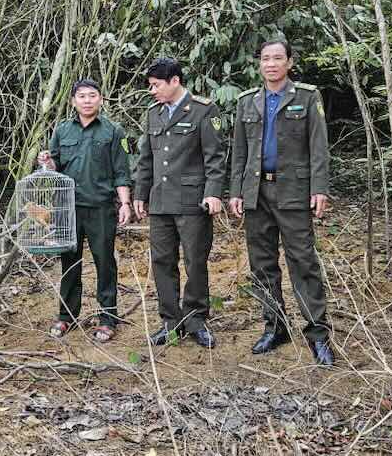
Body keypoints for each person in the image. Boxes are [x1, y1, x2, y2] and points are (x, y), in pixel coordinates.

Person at [228, 39, 334, 367]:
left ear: (289, 62)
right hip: (257, 192)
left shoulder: (306, 96)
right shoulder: (248, 102)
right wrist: (236, 191)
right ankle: (275, 326)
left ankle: (318, 334)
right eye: (265, 59)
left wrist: (320, 188)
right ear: (259, 64)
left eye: (277, 58)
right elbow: (240, 152)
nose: (271, 64)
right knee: (262, 264)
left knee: (302, 261)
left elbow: (318, 147)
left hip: (294, 192)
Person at [133, 57, 225, 349]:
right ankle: (170, 322)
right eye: (150, 86)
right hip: (160, 202)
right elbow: (146, 159)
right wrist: (140, 194)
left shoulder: (203, 109)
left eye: (156, 85)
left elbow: (215, 157)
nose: (152, 91)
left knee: (195, 261)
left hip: (192, 202)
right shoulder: (153, 113)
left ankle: (196, 320)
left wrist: (213, 193)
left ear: (175, 81)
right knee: (162, 262)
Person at [37, 79, 132, 342]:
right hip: (68, 208)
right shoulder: (63, 130)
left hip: (101, 208)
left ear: (101, 99)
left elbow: (122, 171)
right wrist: (46, 160)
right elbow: (54, 166)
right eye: (82, 96)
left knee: (105, 262)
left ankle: (107, 318)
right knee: (69, 263)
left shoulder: (113, 131)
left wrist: (124, 203)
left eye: (92, 95)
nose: (87, 100)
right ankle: (66, 316)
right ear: (73, 101)